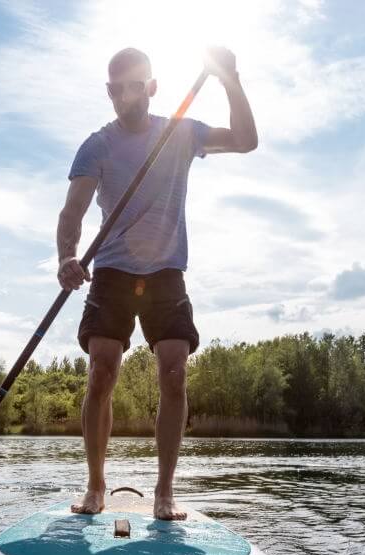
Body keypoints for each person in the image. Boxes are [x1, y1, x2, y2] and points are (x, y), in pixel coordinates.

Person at [56, 46, 257, 520]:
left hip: (166, 271)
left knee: (174, 371)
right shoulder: (97, 146)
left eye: (135, 85)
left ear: (151, 86)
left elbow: (246, 140)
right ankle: (96, 486)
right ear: (109, 93)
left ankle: (165, 492)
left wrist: (229, 78)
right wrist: (67, 255)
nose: (127, 95)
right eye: (117, 88)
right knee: (101, 370)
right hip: (113, 271)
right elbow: (72, 212)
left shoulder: (181, 133)